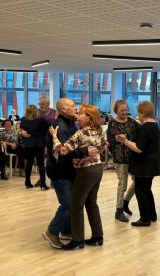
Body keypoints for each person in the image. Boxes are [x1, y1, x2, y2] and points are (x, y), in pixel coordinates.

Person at [49, 104, 106, 250]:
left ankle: (77, 240)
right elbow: (104, 146)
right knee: (92, 203)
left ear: (89, 118)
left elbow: (61, 150)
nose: (77, 116)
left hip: (85, 171)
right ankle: (97, 237)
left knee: (76, 205)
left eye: (80, 114)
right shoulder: (99, 130)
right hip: (98, 169)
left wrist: (54, 136)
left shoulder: (80, 133)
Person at [43, 98, 93, 249]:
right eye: (72, 106)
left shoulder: (71, 123)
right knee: (68, 203)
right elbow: (64, 150)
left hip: (68, 170)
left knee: (72, 202)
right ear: (64, 109)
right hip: (60, 171)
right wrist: (86, 151)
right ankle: (52, 232)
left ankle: (67, 230)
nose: (76, 108)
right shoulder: (58, 126)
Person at [115, 101, 160, 227]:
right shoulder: (155, 126)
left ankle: (144, 218)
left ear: (142, 113)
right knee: (147, 190)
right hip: (152, 164)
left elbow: (139, 148)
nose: (138, 115)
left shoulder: (144, 127)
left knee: (140, 191)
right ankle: (152, 214)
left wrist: (125, 141)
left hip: (144, 164)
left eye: (139, 113)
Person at [107, 100, 138, 223]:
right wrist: (117, 140)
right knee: (122, 184)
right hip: (120, 157)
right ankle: (118, 210)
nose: (125, 112)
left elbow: (138, 136)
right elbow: (110, 140)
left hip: (133, 156)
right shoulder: (112, 123)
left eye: (126, 110)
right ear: (116, 111)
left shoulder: (132, 122)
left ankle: (125, 202)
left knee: (137, 182)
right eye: (122, 110)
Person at [20, 105, 49, 190]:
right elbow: (45, 131)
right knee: (41, 164)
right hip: (39, 144)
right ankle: (43, 184)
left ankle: (27, 182)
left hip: (28, 144)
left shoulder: (23, 120)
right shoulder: (42, 121)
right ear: (36, 111)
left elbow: (22, 129)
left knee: (29, 163)